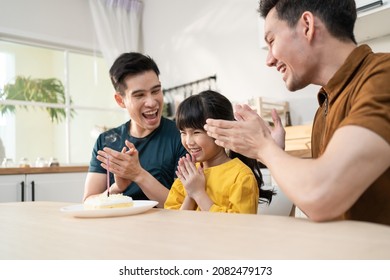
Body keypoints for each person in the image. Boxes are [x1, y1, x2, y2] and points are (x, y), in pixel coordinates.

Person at [204, 0, 390, 225]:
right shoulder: (324, 106)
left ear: (307, 26)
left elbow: (322, 196)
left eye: (272, 41)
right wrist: (273, 151)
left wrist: (263, 147)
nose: (269, 60)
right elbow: (313, 204)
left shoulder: (383, 76)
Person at [83, 52, 187, 207]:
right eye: (139, 95)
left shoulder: (183, 136)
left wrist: (138, 174)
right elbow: (88, 202)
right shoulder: (106, 142)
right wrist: (118, 187)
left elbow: (185, 205)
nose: (151, 102)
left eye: (156, 91)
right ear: (120, 100)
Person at [164, 90, 274, 214]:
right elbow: (174, 223)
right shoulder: (188, 175)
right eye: (183, 133)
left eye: (196, 132)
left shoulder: (241, 177)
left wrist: (199, 194)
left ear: (221, 131)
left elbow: (239, 227)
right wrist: (191, 194)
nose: (188, 141)